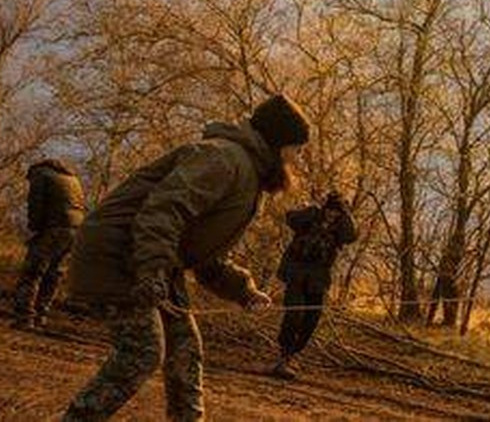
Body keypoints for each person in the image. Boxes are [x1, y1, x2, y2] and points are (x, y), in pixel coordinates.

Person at [61, 94, 310, 422]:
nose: (298, 158)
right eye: (297, 148)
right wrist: (151, 271)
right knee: (143, 351)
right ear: (278, 143)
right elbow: (162, 211)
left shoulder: (247, 174)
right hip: (120, 254)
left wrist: (242, 289)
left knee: (185, 352)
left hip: (155, 260)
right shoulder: (222, 159)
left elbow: (206, 256)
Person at [272, 190, 358, 379]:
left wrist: (347, 213)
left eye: (337, 211)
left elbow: (352, 236)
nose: (332, 214)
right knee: (294, 313)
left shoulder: (340, 228)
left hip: (318, 279)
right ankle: (284, 356)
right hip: (296, 272)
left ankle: (293, 354)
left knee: (312, 318)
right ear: (325, 208)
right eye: (330, 209)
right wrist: (312, 209)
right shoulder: (311, 216)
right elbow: (290, 218)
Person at [13, 158, 87, 328]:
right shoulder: (72, 178)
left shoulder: (40, 174)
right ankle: (41, 316)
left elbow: (35, 204)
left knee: (32, 273)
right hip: (75, 231)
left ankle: (24, 318)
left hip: (54, 230)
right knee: (54, 275)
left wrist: (35, 228)